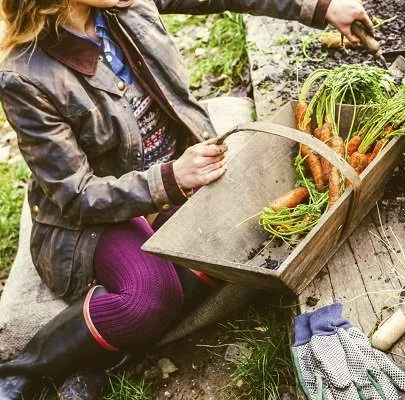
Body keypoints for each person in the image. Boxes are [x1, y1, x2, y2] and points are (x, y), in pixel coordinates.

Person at [0, 0, 373, 398]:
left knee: (240, 236)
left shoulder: (125, 5)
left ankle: (102, 358)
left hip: (177, 177)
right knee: (150, 297)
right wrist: (171, 178)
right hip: (97, 214)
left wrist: (320, 7)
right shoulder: (24, 75)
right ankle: (24, 370)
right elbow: (76, 195)